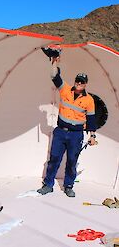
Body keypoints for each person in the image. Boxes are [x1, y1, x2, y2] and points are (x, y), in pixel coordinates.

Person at [37, 56, 97, 197]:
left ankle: (68, 186)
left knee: (71, 161)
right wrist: (54, 61)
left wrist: (92, 136)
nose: (78, 84)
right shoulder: (65, 89)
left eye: (82, 82)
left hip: (76, 135)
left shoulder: (89, 100)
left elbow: (91, 120)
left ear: (85, 84)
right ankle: (48, 185)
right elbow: (54, 75)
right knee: (54, 159)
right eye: (77, 81)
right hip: (60, 132)